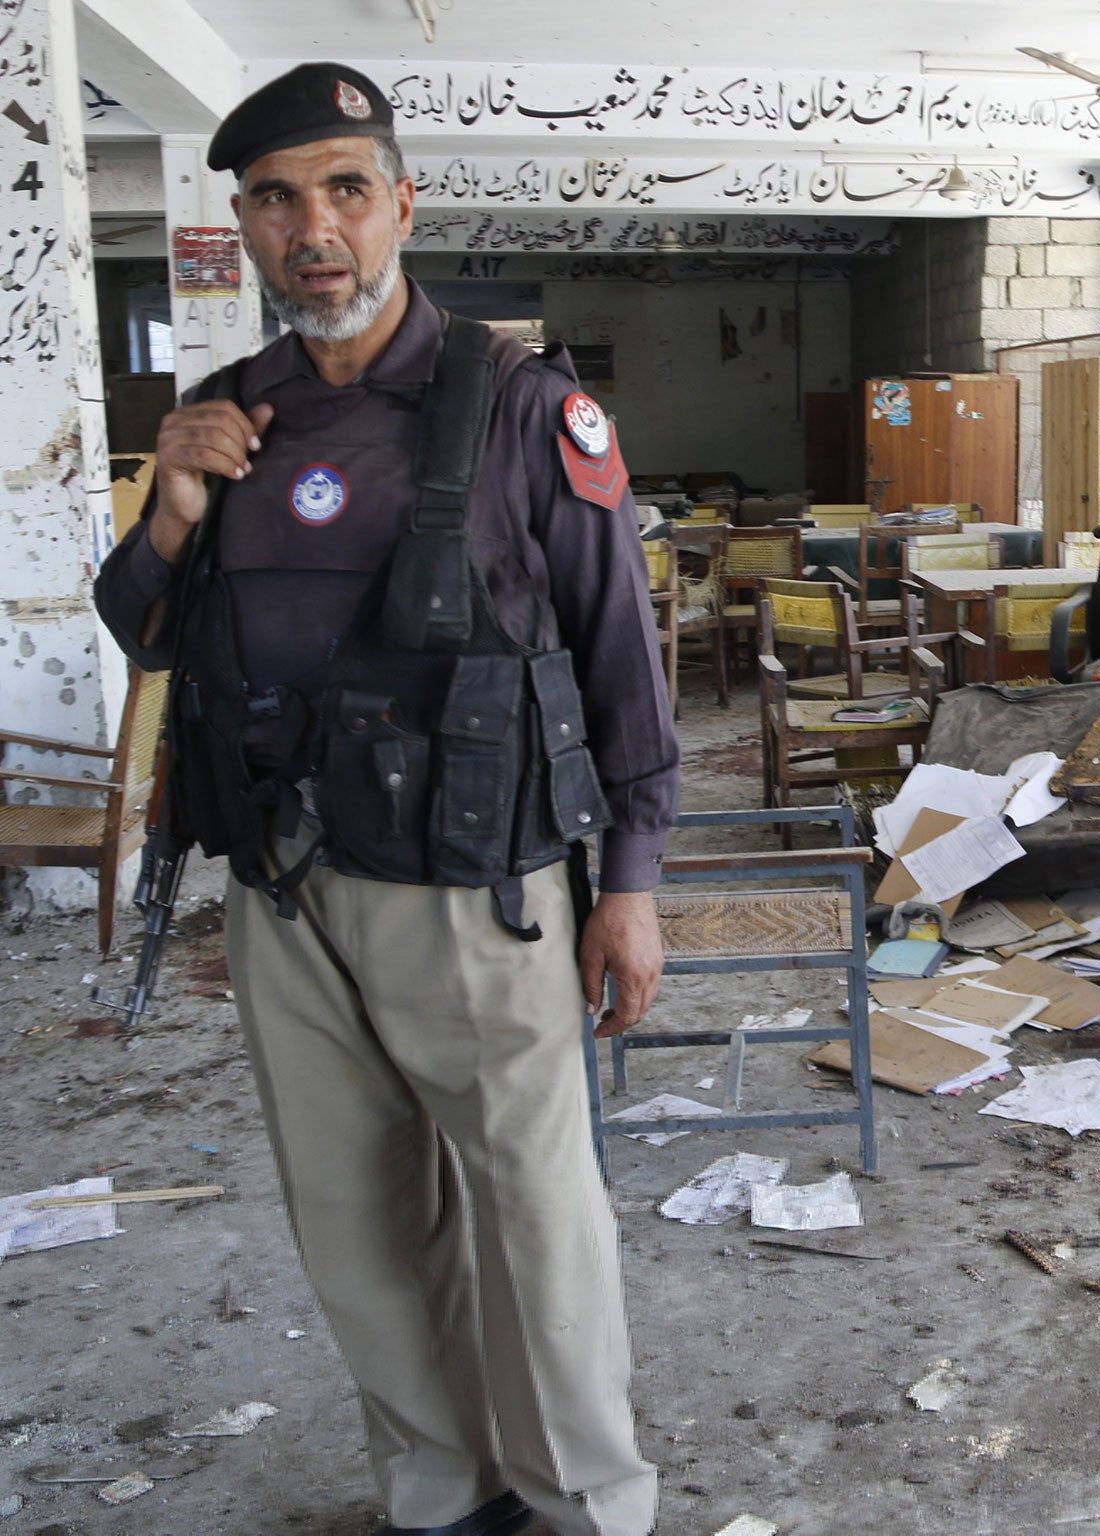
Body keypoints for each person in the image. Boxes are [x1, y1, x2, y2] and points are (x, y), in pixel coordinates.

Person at [94, 63, 672, 1536]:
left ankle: (585, 1501)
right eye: (278, 199)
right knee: (356, 1221)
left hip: (478, 889)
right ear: (244, 224)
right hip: (287, 895)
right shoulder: (226, 414)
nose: (316, 229)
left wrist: (633, 886)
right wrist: (170, 513)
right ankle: (442, 1493)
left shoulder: (523, 407)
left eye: (346, 188)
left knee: (537, 1221)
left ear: (402, 202)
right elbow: (150, 634)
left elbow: (621, 658)